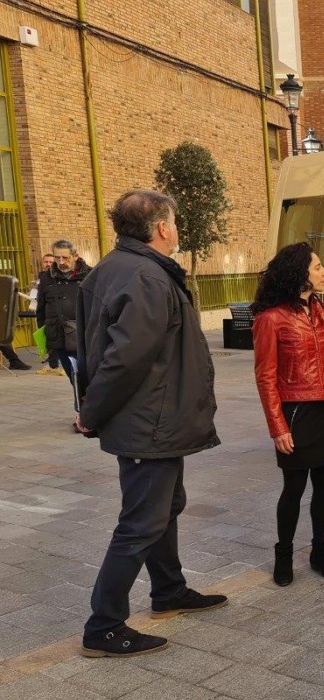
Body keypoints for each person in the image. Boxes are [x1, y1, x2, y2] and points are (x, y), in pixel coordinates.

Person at [76, 189, 226, 658]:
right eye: (174, 223)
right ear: (162, 227)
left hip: (152, 418)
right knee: (141, 522)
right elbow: (124, 360)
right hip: (150, 421)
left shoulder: (115, 268)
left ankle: (169, 590)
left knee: (166, 506)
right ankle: (103, 626)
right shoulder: (145, 276)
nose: (177, 230)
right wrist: (91, 411)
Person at [251, 242, 324, 586]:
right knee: (293, 489)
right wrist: (277, 427)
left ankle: (320, 551)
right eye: (317, 267)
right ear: (300, 274)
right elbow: (265, 377)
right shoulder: (271, 319)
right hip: (296, 412)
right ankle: (283, 554)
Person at [36, 240, 91, 422]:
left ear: (75, 256)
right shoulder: (46, 278)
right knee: (73, 377)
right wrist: (44, 336)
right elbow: (41, 310)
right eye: (57, 257)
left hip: (84, 337)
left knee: (87, 377)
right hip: (59, 337)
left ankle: (90, 413)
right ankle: (82, 415)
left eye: (65, 257)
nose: (61, 262)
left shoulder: (89, 275)